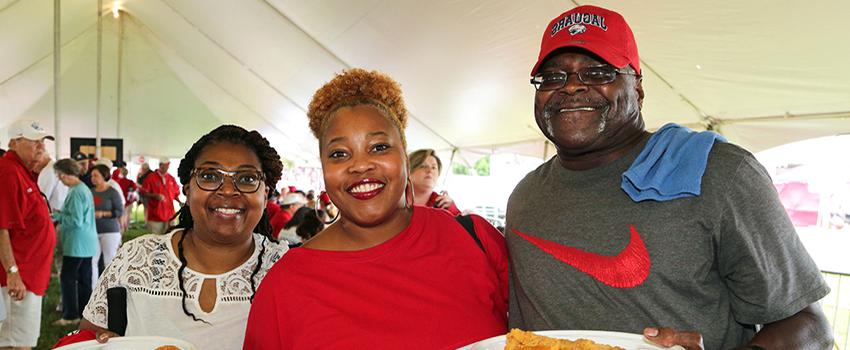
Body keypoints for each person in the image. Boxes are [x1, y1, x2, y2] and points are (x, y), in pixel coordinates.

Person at [506, 5, 833, 350]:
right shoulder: (524, 197)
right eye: (552, 77)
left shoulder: (717, 172)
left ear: (639, 89)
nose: (571, 87)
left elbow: (810, 327)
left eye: (598, 72)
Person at [243, 68, 509, 349]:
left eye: (379, 147)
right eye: (339, 154)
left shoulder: (475, 239)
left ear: (405, 160)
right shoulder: (285, 285)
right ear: (324, 169)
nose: (360, 165)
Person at [77, 125, 288, 349]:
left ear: (265, 195)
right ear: (187, 191)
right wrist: (100, 343)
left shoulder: (287, 269)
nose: (227, 190)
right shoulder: (136, 259)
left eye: (247, 178)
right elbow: (87, 337)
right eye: (209, 176)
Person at [0, 120, 57, 349]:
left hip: (28, 276)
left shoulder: (22, 171)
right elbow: (2, 227)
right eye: (34, 141)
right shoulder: (9, 172)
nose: (41, 147)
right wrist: (12, 272)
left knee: (17, 340)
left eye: (43, 141)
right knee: (16, 343)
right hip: (18, 279)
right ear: (14, 142)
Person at [51, 159, 99, 326]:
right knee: (84, 279)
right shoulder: (83, 189)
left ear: (65, 174)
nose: (59, 179)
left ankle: (70, 315)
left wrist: (57, 216)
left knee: (68, 278)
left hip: (76, 243)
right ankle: (84, 312)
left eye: (59, 175)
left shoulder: (75, 192)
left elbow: (76, 220)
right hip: (87, 242)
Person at [89, 164, 124, 285]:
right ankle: (94, 290)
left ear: (104, 176)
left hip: (110, 231)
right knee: (92, 261)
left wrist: (103, 213)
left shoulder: (112, 192)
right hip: (93, 231)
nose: (92, 178)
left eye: (96, 175)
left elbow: (120, 211)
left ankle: (111, 287)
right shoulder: (91, 192)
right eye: (92, 175)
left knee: (109, 261)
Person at [408, 148, 460, 215]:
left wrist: (452, 210)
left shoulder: (444, 206)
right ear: (408, 171)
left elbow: (464, 224)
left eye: (433, 167)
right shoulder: (395, 200)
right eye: (423, 166)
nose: (430, 171)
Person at [140, 157, 180, 234]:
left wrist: (179, 201)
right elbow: (143, 192)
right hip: (155, 215)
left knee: (170, 237)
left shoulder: (171, 178)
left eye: (167, 165)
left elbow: (175, 194)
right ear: (160, 165)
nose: (165, 167)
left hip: (170, 214)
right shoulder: (151, 177)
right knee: (156, 239)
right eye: (163, 165)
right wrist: (154, 195)